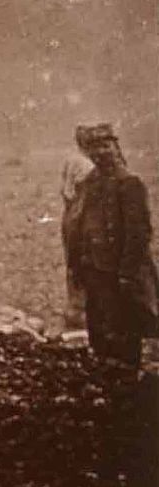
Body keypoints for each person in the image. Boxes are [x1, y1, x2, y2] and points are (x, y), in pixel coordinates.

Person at [69, 124, 159, 367]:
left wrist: (127, 273)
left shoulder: (129, 184)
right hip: (93, 270)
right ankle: (106, 378)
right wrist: (77, 264)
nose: (100, 152)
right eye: (94, 147)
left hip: (117, 273)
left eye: (105, 146)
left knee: (124, 331)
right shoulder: (89, 183)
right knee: (98, 328)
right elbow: (77, 224)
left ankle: (126, 382)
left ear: (115, 148)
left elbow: (138, 233)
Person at [61, 125, 98, 328]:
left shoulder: (71, 159)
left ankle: (74, 306)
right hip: (81, 216)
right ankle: (80, 309)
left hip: (70, 213)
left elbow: (64, 189)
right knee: (84, 261)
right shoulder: (87, 166)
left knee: (73, 261)